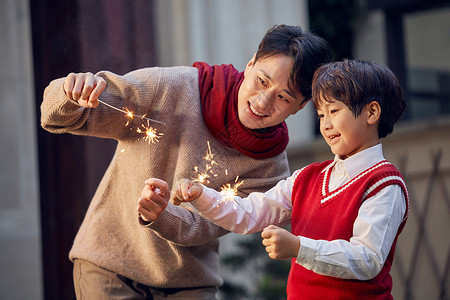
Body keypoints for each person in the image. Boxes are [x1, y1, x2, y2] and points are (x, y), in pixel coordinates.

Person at [41, 24, 331, 299]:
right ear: (251, 62)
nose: (264, 101)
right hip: (107, 266)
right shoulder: (170, 88)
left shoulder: (270, 169)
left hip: (189, 285)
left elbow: (201, 226)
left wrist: (161, 214)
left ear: (301, 106)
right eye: (262, 81)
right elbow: (58, 116)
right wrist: (71, 92)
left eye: (282, 97)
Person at [142, 60, 409, 299]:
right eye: (321, 114)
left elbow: (368, 259)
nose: (325, 124)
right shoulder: (308, 177)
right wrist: (202, 195)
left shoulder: (384, 184)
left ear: (372, 113)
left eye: (335, 111)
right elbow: (249, 213)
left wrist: (299, 247)